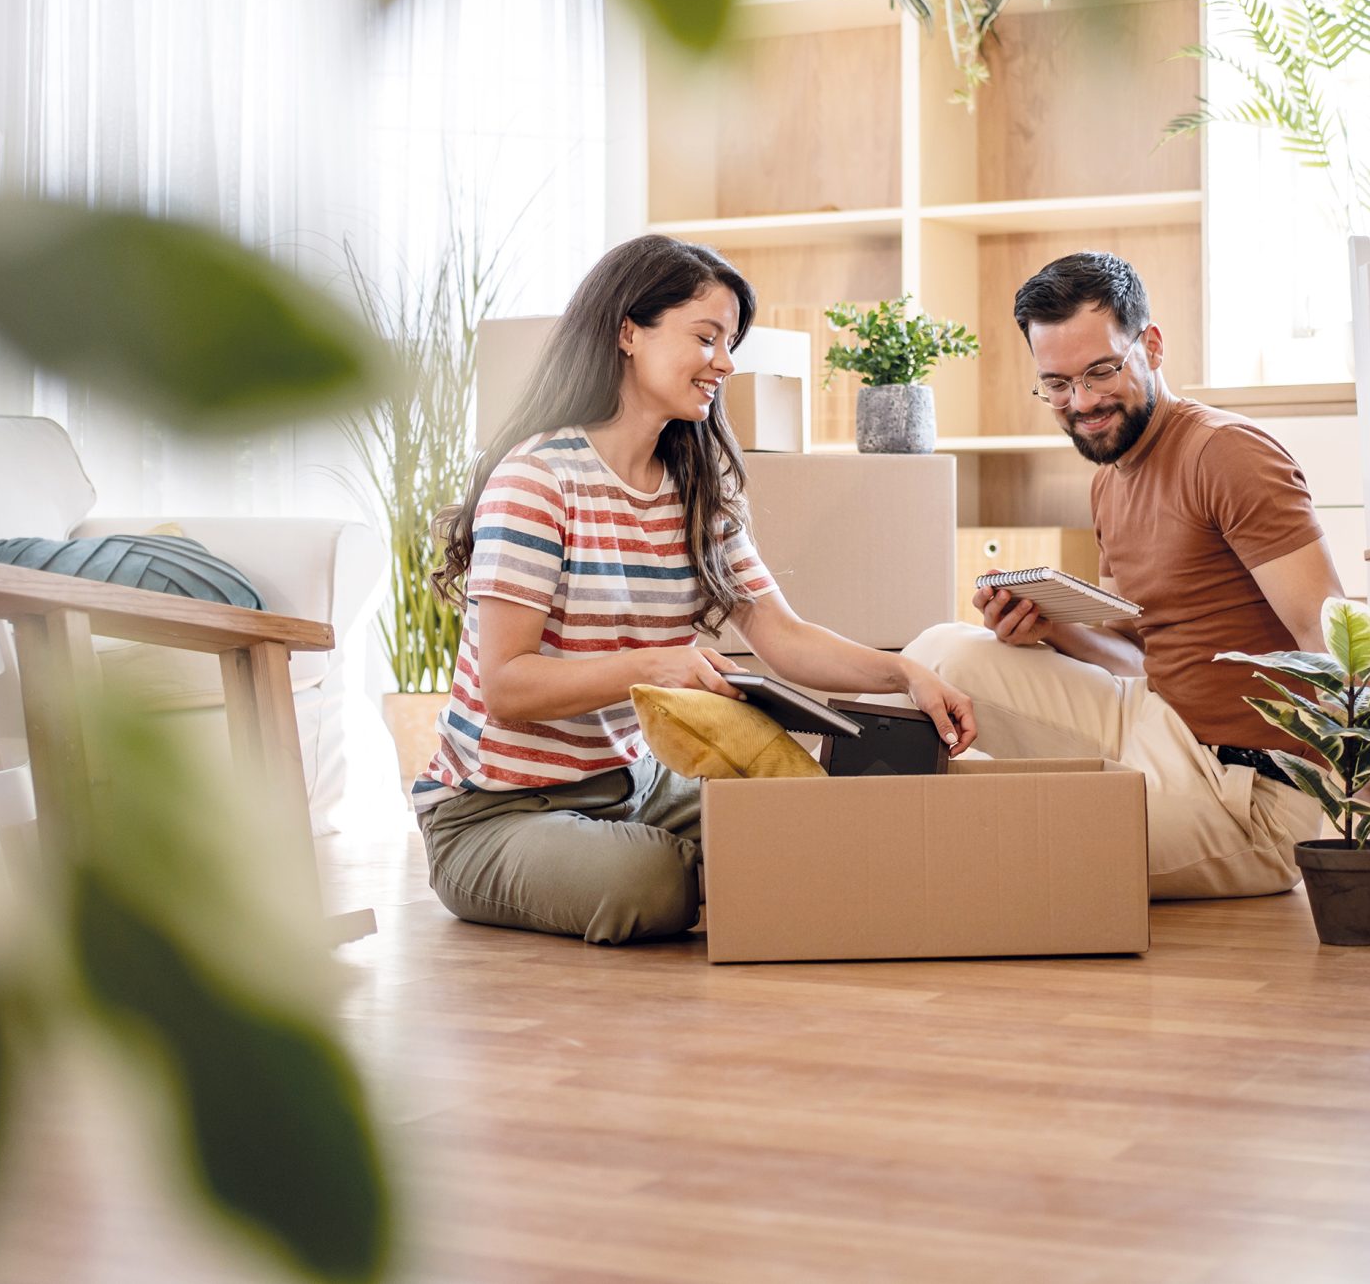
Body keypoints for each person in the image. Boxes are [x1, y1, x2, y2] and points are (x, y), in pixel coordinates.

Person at [413, 235, 977, 945]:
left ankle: (727, 866)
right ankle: (709, 870)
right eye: (706, 336)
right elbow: (507, 687)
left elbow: (783, 635)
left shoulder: (696, 492)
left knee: (822, 830)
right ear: (628, 330)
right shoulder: (537, 480)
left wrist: (906, 673)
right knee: (651, 885)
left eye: (730, 341)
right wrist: (654, 667)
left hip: (635, 788)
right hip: (496, 812)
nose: (726, 362)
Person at [905, 251, 1370, 900]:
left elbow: (1328, 631)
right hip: (1155, 720)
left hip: (1249, 792)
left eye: (1100, 371)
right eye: (1058, 384)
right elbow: (1138, 650)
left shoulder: (1227, 454)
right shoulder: (1109, 481)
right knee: (936, 654)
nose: (1083, 402)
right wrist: (1048, 630)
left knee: (1009, 843)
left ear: (1151, 345)